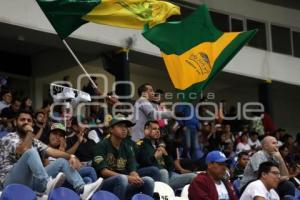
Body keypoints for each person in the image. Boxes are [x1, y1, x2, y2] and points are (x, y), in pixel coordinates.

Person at [0, 110, 103, 200]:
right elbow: (23, 150)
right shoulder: (9, 138)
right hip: (10, 181)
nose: (26, 122)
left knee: (62, 162)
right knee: (31, 152)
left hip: (31, 181)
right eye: (22, 120)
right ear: (15, 122)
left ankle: (82, 189)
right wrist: (30, 132)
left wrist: (71, 156)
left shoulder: (34, 141)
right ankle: (46, 184)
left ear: (32, 123)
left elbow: (52, 151)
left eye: (29, 120)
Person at [92, 115, 154, 200]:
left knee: (148, 181)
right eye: (120, 126)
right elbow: (104, 172)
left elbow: (132, 169)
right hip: (104, 186)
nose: (124, 129)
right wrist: (127, 178)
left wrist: (136, 178)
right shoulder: (101, 145)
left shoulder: (127, 147)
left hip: (123, 183)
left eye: (125, 126)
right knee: (122, 179)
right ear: (111, 129)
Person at [136, 120, 196, 191]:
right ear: (146, 130)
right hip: (153, 176)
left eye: (158, 129)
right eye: (154, 129)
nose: (158, 131)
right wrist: (154, 157)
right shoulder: (140, 143)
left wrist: (166, 155)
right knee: (163, 171)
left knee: (193, 176)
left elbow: (171, 167)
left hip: (168, 176)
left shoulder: (159, 145)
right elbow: (141, 163)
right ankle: (166, 194)